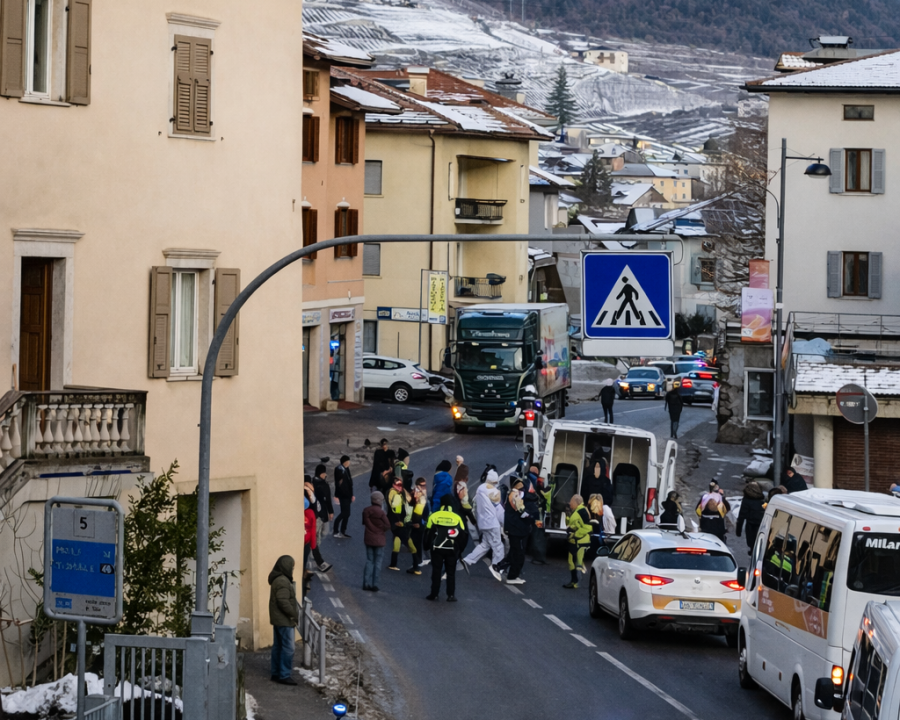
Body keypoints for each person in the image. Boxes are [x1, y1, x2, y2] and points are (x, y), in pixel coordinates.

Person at [424, 493, 467, 601]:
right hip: (452, 549)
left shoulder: (434, 516)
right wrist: (460, 550)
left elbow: (427, 532)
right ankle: (451, 595)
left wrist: (426, 546)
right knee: (451, 572)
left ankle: (434, 594)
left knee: (436, 571)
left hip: (437, 548)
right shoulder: (457, 517)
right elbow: (463, 535)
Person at [464, 469, 505, 580]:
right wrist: (504, 523)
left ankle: (467, 560)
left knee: (485, 545)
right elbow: (499, 509)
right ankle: (496, 567)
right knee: (498, 546)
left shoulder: (480, 489)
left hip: (482, 523)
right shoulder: (494, 492)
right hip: (492, 523)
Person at [268, 555, 299, 685]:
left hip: (278, 619)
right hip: (284, 620)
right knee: (288, 648)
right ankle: (284, 675)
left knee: (278, 647)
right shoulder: (283, 581)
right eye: (292, 566)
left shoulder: (277, 579)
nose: (292, 569)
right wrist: (294, 614)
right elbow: (283, 601)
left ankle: (276, 673)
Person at [501, 479, 533, 585]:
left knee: (514, 552)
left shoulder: (511, 494)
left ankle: (508, 571)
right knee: (518, 554)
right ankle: (512, 576)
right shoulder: (515, 496)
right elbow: (521, 511)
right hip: (516, 530)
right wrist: (529, 515)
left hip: (513, 529)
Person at [386, 476, 417, 572]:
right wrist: (399, 521)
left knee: (397, 541)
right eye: (398, 485)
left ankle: (393, 564)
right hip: (400, 523)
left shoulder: (398, 492)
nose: (400, 487)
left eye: (401, 485)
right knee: (410, 544)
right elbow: (395, 509)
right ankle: (416, 566)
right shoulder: (395, 494)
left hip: (397, 524)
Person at [362, 491, 391, 591]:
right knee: (378, 562)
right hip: (380, 539)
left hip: (369, 538)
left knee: (369, 560)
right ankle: (375, 584)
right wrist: (381, 529)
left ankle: (366, 583)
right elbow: (388, 525)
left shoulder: (366, 511)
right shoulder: (381, 513)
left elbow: (364, 522)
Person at [564, 494, 592, 588]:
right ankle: (573, 581)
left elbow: (588, 527)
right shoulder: (576, 510)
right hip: (574, 540)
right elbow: (571, 524)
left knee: (578, 562)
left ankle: (576, 582)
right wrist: (567, 515)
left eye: (571, 502)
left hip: (581, 541)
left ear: (576, 502)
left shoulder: (582, 511)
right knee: (571, 561)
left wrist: (576, 534)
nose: (570, 503)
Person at [310, 470, 334, 572]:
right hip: (314, 518)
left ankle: (316, 558)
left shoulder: (321, 486)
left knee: (319, 536)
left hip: (319, 515)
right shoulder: (313, 490)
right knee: (314, 538)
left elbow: (325, 501)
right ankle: (317, 561)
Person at [736, 481, 766, 551]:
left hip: (751, 525)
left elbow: (741, 515)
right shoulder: (762, 499)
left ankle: (752, 550)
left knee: (752, 542)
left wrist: (738, 531)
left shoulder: (746, 500)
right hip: (761, 524)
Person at [409, 477, 430, 573]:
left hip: (420, 523)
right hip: (417, 522)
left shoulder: (423, 497)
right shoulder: (416, 494)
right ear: (417, 486)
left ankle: (416, 564)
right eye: (422, 485)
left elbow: (423, 511)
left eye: (425, 485)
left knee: (416, 543)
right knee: (416, 543)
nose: (424, 487)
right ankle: (417, 562)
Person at [303, 494, 317, 593]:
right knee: (304, 562)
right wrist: (313, 545)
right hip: (306, 542)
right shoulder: (310, 513)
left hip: (304, 542)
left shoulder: (308, 513)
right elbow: (312, 530)